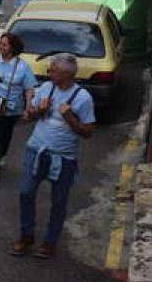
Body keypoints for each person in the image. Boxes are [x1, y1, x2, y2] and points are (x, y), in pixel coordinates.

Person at [13, 54, 95, 259]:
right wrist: (38, 110)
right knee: (26, 193)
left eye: (53, 70)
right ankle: (27, 235)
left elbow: (87, 132)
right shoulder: (46, 88)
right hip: (36, 150)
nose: (49, 73)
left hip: (63, 157)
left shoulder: (83, 98)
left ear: (67, 74)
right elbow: (29, 116)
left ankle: (50, 241)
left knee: (58, 202)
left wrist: (69, 118)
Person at [0, 33, 37, 185]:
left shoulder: (23, 67)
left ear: (13, 47)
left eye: (4, 44)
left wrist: (28, 106)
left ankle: (2, 155)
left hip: (12, 108)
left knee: (6, 134)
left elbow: (29, 88)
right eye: (0, 44)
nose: (1, 47)